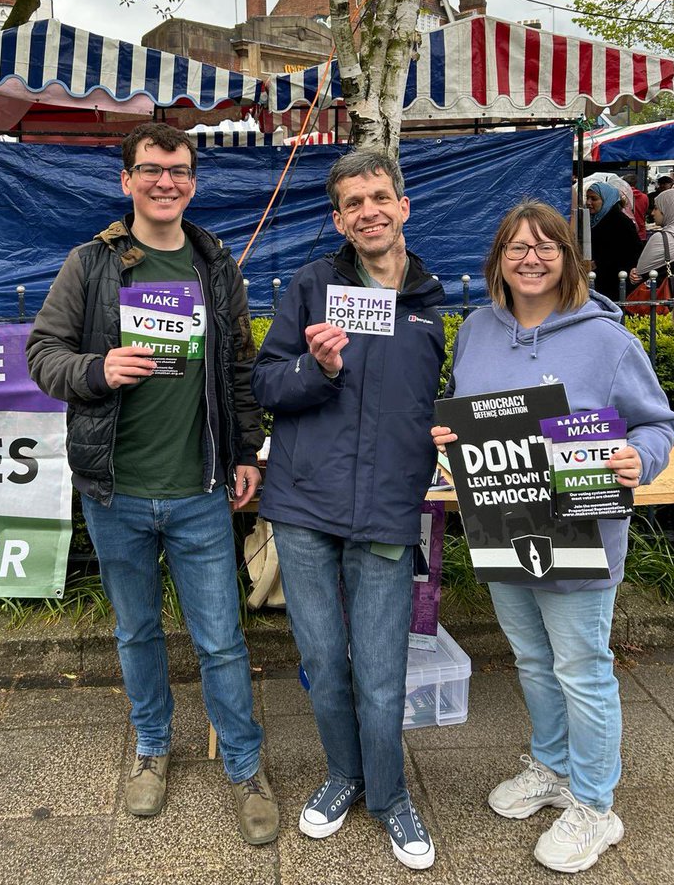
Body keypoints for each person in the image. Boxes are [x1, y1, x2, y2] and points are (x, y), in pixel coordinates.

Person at [25, 122, 278, 844]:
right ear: (127, 180)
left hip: (200, 490)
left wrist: (247, 451)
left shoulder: (214, 263)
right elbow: (44, 354)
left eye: (178, 171)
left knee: (222, 640)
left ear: (193, 183)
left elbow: (237, 369)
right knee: (136, 632)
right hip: (117, 490)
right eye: (150, 169)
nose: (165, 181)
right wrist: (96, 371)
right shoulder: (92, 264)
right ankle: (151, 747)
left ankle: (243, 764)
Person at [432, 201, 674, 874]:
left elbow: (658, 423)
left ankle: (596, 807)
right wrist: (449, 435)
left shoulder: (606, 338)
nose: (531, 258)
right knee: (534, 663)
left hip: (582, 533)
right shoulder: (479, 329)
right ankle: (553, 766)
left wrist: (641, 458)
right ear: (498, 261)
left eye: (546, 246)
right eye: (516, 247)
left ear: (571, 257)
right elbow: (465, 409)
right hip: (504, 527)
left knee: (582, 669)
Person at [252, 150, 445, 870]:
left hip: (391, 509)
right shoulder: (312, 284)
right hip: (305, 505)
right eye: (353, 202)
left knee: (382, 668)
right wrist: (320, 369)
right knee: (326, 661)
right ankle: (343, 776)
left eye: (378, 197)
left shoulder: (429, 301)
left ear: (402, 207)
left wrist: (445, 431)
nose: (368, 210)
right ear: (338, 219)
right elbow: (267, 383)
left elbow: (431, 400)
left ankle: (392, 797)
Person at [629, 187, 674, 287]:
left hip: (662, 299)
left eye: (656, 208)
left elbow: (639, 272)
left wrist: (634, 273)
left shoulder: (661, 239)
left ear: (669, 209)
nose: (652, 213)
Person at [585, 182, 642, 300]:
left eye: (594, 199)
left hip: (615, 283)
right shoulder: (595, 220)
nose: (588, 202)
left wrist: (598, 262)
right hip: (601, 280)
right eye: (588, 198)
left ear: (606, 200)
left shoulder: (620, 222)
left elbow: (630, 253)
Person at [622, 173, 649, 239]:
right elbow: (645, 212)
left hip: (627, 233)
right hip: (641, 233)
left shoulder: (622, 197)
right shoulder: (644, 197)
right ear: (635, 183)